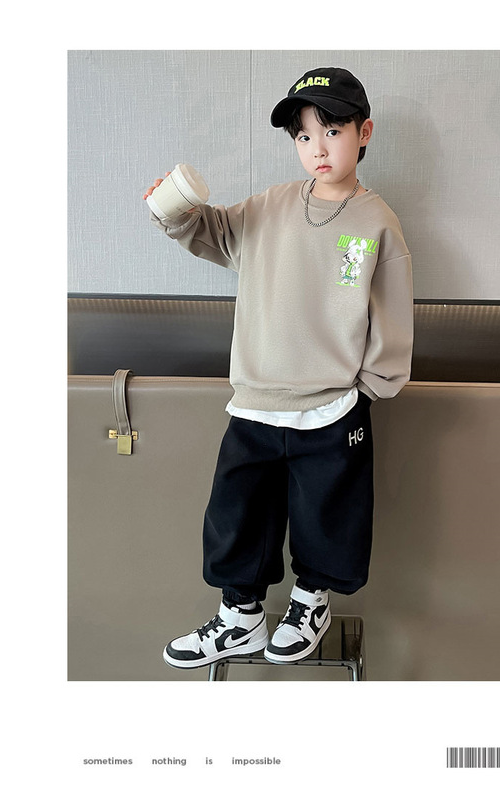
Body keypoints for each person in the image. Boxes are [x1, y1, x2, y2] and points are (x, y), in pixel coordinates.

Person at [144, 67, 414, 670]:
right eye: (304, 135)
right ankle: (239, 617)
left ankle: (310, 603)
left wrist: (366, 391)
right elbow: (211, 230)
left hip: (332, 407)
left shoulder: (376, 223)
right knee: (238, 512)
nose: (318, 147)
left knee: (327, 516)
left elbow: (392, 317)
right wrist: (174, 208)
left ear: (364, 133)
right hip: (256, 401)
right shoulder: (269, 207)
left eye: (333, 131)